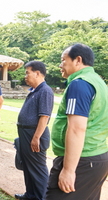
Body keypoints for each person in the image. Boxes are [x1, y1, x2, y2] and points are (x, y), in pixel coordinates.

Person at [46, 43, 108, 200]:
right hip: (97, 157)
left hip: (81, 161)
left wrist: (68, 170)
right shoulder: (98, 82)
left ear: (77, 60)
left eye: (63, 60)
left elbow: (76, 129)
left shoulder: (79, 84)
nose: (60, 65)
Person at [15, 61, 54, 200]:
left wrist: (36, 137)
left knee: (38, 169)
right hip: (26, 134)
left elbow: (44, 116)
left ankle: (41, 197)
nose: (25, 76)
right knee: (27, 167)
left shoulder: (45, 91)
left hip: (34, 134)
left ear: (37, 73)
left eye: (27, 72)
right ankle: (30, 195)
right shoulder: (35, 91)